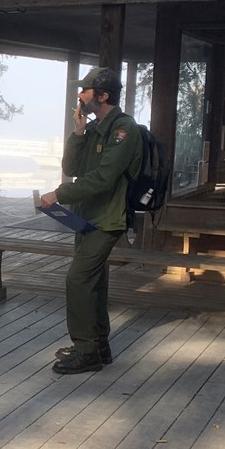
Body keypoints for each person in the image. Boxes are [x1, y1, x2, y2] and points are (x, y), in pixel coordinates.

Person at [39, 67, 143, 374]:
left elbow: (104, 178)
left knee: (78, 279)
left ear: (103, 96)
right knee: (93, 280)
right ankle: (98, 346)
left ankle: (86, 352)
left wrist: (59, 194)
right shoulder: (95, 128)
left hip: (108, 218)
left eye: (84, 91)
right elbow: (72, 166)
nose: (79, 95)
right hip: (86, 217)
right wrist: (78, 132)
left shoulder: (124, 130)